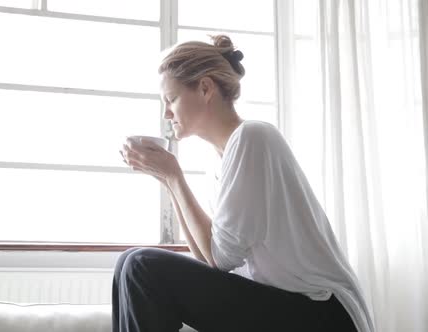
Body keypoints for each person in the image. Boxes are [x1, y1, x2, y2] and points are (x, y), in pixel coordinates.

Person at [116, 35, 375, 332]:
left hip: (324, 314)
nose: (166, 113)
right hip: (286, 305)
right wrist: (168, 180)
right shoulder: (217, 160)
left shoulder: (252, 138)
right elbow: (208, 258)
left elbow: (221, 258)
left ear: (204, 88)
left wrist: (174, 176)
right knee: (128, 264)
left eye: (171, 99)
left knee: (141, 266)